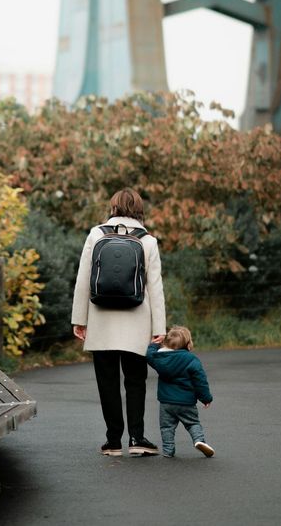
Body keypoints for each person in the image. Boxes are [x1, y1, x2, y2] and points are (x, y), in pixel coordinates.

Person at [72, 187, 166, 457]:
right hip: (137, 321)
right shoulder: (148, 241)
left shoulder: (96, 234)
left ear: (113, 207)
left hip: (101, 319)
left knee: (107, 381)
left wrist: (80, 319)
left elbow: (83, 279)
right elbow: (155, 288)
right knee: (136, 381)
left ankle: (113, 442)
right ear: (139, 209)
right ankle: (137, 439)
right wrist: (159, 327)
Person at [146, 325, 215, 458]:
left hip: (166, 403)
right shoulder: (191, 359)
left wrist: (154, 344)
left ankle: (168, 450)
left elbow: (149, 356)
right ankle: (199, 440)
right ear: (188, 344)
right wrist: (206, 398)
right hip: (186, 402)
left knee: (167, 428)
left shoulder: (160, 359)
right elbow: (200, 381)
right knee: (192, 423)